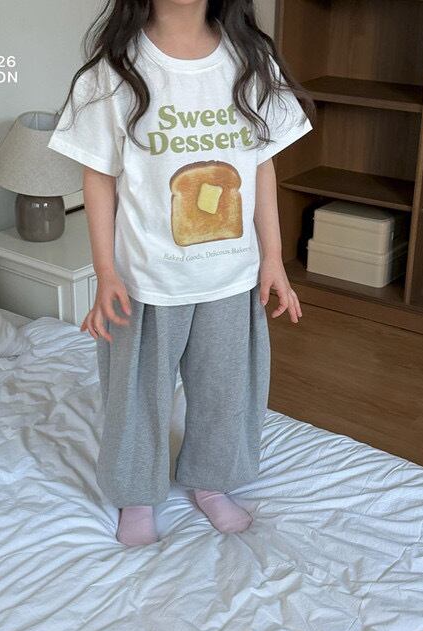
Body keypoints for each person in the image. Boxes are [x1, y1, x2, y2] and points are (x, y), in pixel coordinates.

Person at [48, 0, 314, 546]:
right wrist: (106, 272)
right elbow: (98, 177)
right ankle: (136, 494)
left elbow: (261, 164)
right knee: (136, 397)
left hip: (231, 278)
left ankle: (211, 483)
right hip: (145, 281)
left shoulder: (250, 60)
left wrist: (272, 258)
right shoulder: (114, 70)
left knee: (226, 393)